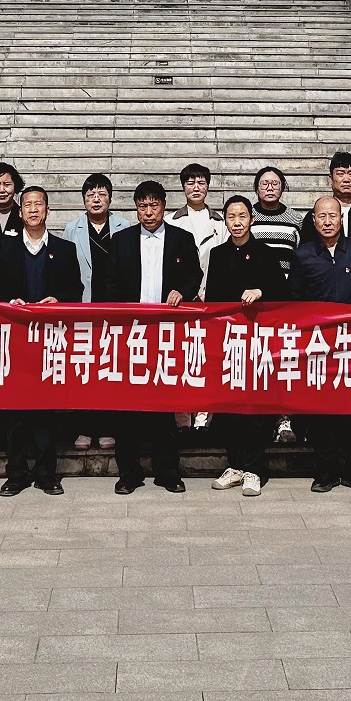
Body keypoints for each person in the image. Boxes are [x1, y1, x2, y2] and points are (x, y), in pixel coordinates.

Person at [0, 185, 80, 497]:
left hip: (50, 340)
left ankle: (47, 474)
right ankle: (16, 473)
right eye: (28, 205)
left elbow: (75, 291)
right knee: (15, 411)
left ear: (48, 210)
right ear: (20, 212)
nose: (33, 210)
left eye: (39, 204)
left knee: (46, 409)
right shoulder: (3, 248)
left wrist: (58, 300)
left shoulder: (64, 249)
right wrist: (9, 302)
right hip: (15, 339)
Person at [103, 180, 203, 493]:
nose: (148, 212)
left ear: (163, 206)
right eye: (143, 206)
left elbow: (194, 275)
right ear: (136, 208)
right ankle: (129, 473)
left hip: (166, 332)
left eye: (154, 205)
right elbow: (109, 283)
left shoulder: (181, 239)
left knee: (165, 403)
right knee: (127, 407)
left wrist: (182, 292)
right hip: (130, 333)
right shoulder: (121, 240)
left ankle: (167, 472)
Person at [290, 195, 351, 492]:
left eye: (333, 216)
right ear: (314, 221)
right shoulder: (302, 254)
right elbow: (295, 297)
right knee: (322, 411)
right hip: (319, 344)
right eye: (322, 216)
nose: (327, 221)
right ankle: (325, 472)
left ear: (341, 218)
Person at [204, 194, 287, 496]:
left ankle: (254, 469)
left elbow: (283, 292)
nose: (237, 222)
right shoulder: (217, 254)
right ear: (224, 221)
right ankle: (235, 465)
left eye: (242, 216)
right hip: (229, 341)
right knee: (230, 405)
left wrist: (261, 290)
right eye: (231, 217)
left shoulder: (265, 252)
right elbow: (212, 299)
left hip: (260, 340)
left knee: (257, 406)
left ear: (251, 219)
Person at [59, 172, 132, 450]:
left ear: (110, 198)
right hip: (84, 308)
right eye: (91, 195)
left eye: (102, 194)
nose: (96, 199)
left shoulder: (124, 226)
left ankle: (108, 427)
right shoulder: (72, 228)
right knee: (84, 370)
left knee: (111, 369)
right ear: (84, 200)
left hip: (115, 308)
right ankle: (84, 428)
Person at [247, 166, 306, 443]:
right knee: (256, 361)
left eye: (275, 183)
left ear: (283, 187)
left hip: (284, 301)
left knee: (284, 361)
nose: (270, 187)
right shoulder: (248, 216)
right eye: (264, 183)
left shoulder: (295, 219)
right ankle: (257, 417)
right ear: (256, 187)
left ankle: (284, 419)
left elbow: (302, 258)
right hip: (252, 303)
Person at [172, 162, 224, 431]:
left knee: (209, 358)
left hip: (210, 300)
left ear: (208, 186)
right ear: (183, 187)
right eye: (190, 182)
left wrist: (209, 292)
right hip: (182, 301)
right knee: (180, 358)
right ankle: (182, 417)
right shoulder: (172, 221)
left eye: (201, 182)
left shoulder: (220, 222)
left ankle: (204, 418)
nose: (196, 187)